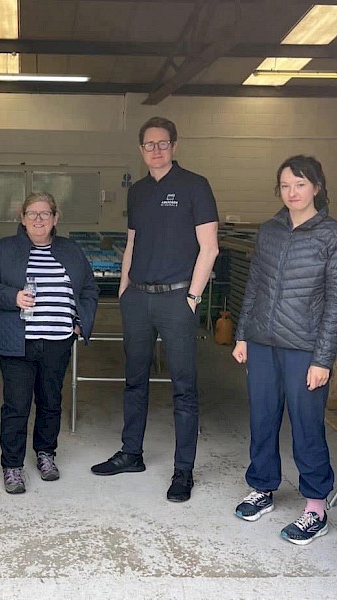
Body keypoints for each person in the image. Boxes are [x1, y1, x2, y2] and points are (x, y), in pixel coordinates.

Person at [91, 116, 219, 503]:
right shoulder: (139, 191)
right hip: (138, 298)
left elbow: (209, 247)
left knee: (184, 387)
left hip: (177, 299)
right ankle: (132, 453)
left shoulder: (195, 186)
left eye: (163, 143)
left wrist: (192, 297)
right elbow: (132, 242)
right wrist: (124, 289)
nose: (157, 150)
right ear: (141, 149)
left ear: (174, 146)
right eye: (150, 144)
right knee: (135, 380)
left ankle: (183, 470)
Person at [232, 155, 336, 545]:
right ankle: (262, 486)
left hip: (304, 348)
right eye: (286, 185)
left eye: (300, 184)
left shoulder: (330, 235)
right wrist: (243, 334)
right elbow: (255, 285)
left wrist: (323, 358)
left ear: (317, 187)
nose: (292, 192)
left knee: (307, 425)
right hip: (262, 342)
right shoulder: (269, 230)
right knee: (262, 418)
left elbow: (335, 303)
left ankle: (316, 506)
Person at [0, 192, 99, 494]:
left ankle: (46, 453)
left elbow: (89, 288)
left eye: (45, 213)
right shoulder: (5, 249)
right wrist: (12, 297)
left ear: (56, 218)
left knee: (50, 401)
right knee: (16, 405)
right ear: (22, 218)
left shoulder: (70, 250)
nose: (38, 219)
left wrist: (81, 323)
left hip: (58, 340)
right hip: (17, 343)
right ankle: (12, 466)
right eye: (32, 213)